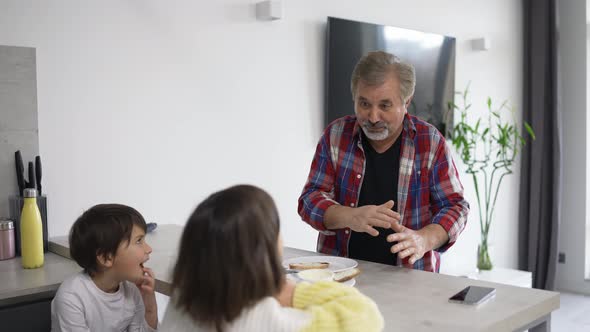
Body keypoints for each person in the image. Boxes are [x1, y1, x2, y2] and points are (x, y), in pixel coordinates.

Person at [298, 51, 469, 272]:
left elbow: (456, 206)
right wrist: (350, 215)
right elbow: (309, 200)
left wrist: (424, 239)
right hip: (340, 278)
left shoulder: (430, 142)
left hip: (411, 281)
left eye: (385, 106)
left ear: (406, 101)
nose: (373, 117)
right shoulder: (336, 135)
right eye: (364, 104)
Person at [160, 184, 384, 332]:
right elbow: (365, 316)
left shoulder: (182, 300)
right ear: (261, 251)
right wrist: (290, 291)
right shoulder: (267, 319)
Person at [51, 204, 158, 331]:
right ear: (106, 258)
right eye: (139, 241)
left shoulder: (131, 292)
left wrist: (148, 300)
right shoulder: (72, 297)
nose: (149, 249)